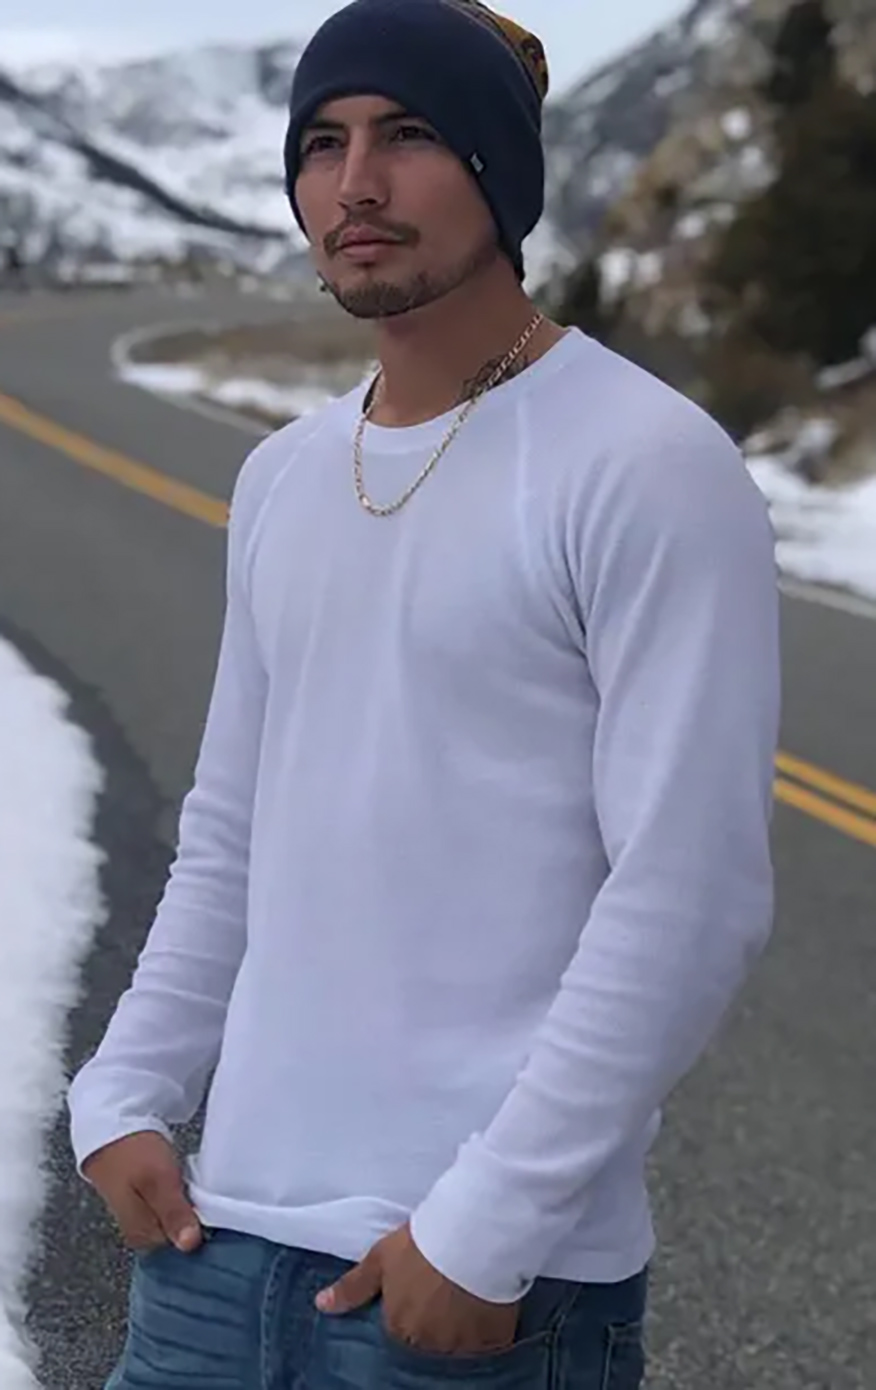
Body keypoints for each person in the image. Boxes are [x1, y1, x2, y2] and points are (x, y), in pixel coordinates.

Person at [68, 1, 782, 1386]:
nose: (356, 184)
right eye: (321, 143)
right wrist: (127, 1089)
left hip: (472, 1288)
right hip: (213, 1254)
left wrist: (485, 1227)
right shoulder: (282, 476)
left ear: (499, 171)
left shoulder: (645, 465)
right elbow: (233, 833)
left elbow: (689, 889)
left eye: (407, 135)